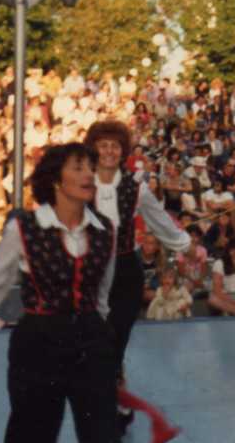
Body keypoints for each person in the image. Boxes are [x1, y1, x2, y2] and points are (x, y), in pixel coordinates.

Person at [0, 143, 120, 443]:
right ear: (56, 179)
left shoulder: (105, 230)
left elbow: (102, 298)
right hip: (39, 345)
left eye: (91, 168)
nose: (89, 175)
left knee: (102, 434)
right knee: (32, 434)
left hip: (91, 344)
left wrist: (107, 351)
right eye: (78, 167)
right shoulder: (24, 228)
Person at [84, 120, 190, 431]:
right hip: (92, 271)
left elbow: (160, 221)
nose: (108, 150)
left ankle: (113, 403)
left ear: (123, 152)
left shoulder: (137, 188)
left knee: (117, 339)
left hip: (126, 271)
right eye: (103, 145)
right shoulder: (80, 182)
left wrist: (182, 242)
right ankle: (103, 398)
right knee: (96, 339)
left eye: (115, 145)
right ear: (93, 148)